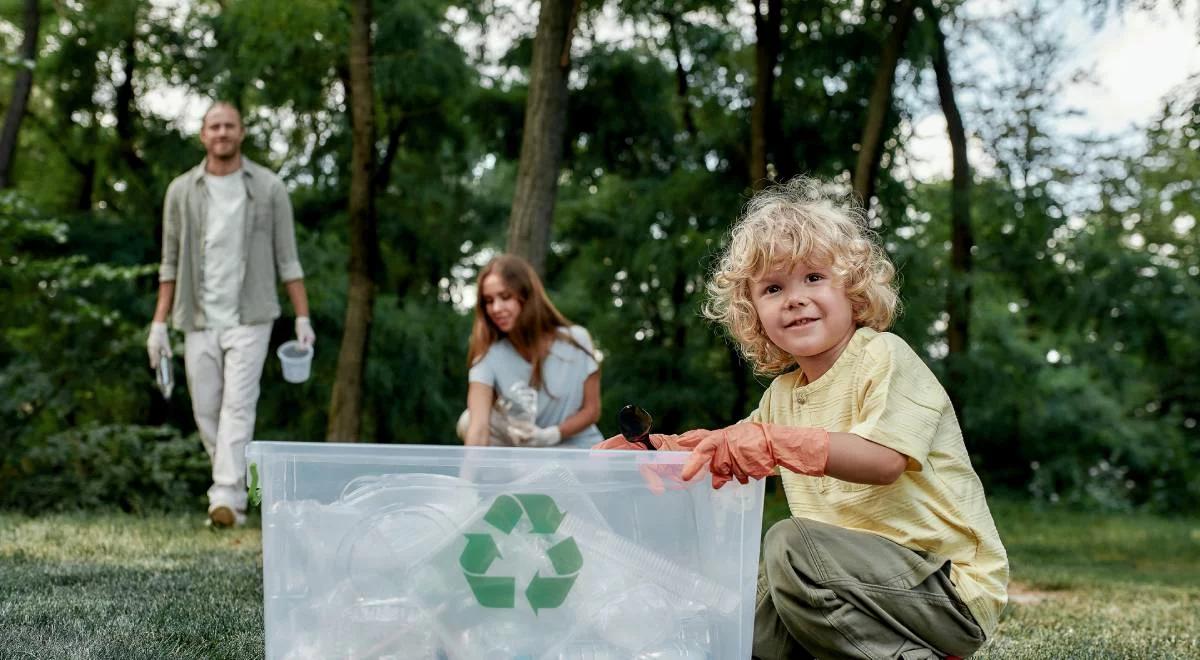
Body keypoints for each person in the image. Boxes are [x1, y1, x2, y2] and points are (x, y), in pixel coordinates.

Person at [596, 177, 1008, 659]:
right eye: (773, 287)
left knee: (789, 548)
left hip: (947, 590)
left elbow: (884, 461)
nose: (794, 297)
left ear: (852, 290)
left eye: (814, 277)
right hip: (860, 589)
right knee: (744, 624)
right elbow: (732, 447)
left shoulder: (883, 356)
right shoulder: (782, 395)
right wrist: (659, 452)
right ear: (754, 314)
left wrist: (773, 444)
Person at [147, 101, 315, 528]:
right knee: (206, 410)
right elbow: (168, 263)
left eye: (230, 126)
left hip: (252, 316)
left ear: (241, 132)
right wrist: (159, 324)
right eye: (214, 126)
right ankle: (235, 492)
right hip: (198, 317)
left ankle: (224, 496)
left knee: (238, 407)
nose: (222, 133)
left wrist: (302, 318)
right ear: (203, 135)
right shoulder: (181, 191)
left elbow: (288, 260)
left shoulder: (270, 188)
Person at [458, 254, 603, 449]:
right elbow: (478, 428)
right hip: (529, 459)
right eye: (488, 301)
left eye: (505, 297)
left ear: (526, 296)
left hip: (580, 453)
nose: (496, 308)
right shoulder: (489, 356)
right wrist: (466, 480)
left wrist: (552, 435)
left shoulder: (577, 339)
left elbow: (592, 410)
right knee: (467, 421)